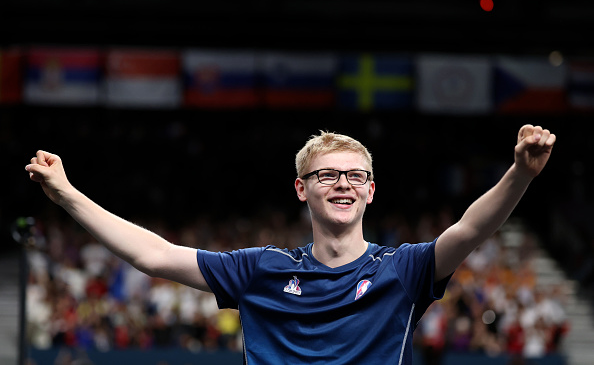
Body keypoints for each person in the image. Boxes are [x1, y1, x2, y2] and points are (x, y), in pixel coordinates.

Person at [25, 124, 556, 364]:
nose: (342, 183)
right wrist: (67, 193)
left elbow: (468, 230)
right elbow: (155, 255)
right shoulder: (260, 270)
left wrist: (520, 175)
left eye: (355, 175)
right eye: (326, 175)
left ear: (371, 190)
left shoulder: (405, 270)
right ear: (302, 189)